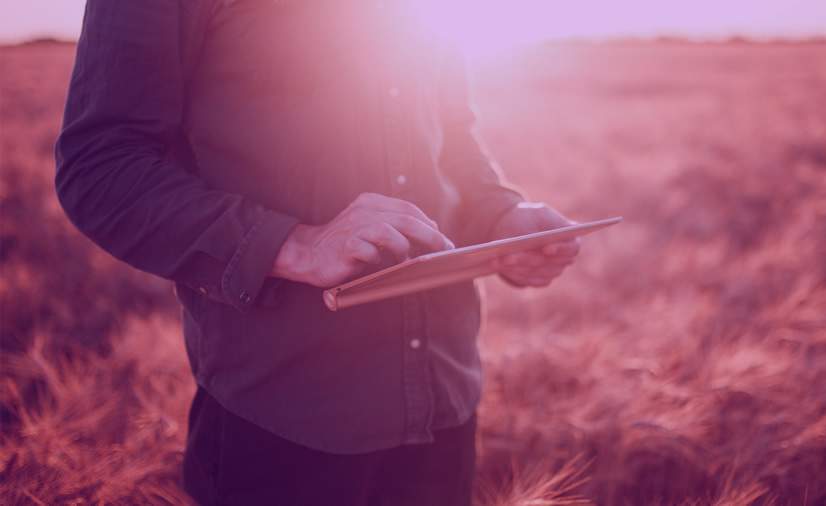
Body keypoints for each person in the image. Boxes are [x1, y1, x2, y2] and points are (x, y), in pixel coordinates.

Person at [55, 1, 580, 504]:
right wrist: (294, 245)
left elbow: (450, 140)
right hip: (283, 418)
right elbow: (101, 165)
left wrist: (500, 216)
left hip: (444, 403)